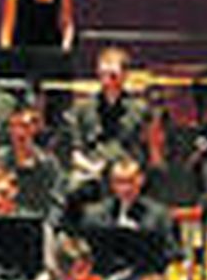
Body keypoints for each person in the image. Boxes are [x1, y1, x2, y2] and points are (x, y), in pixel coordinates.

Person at [62, 47, 150, 186]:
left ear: (125, 75)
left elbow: (146, 151)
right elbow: (75, 152)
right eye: (102, 74)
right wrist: (92, 168)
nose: (107, 80)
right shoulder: (81, 108)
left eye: (113, 75)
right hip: (92, 170)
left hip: (128, 173)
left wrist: (127, 171)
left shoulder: (140, 109)